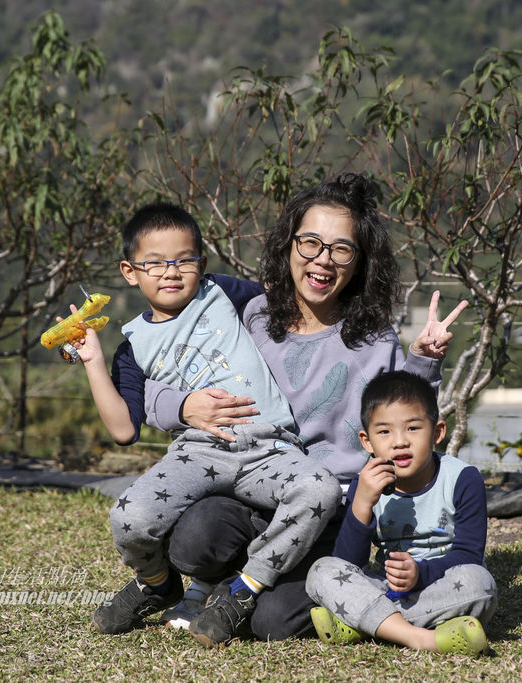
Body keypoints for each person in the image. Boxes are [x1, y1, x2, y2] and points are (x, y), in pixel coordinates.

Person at [140, 172, 468, 640]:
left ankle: (243, 590)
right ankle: (214, 578)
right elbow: (151, 375)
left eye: (341, 249)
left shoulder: (375, 341)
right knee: (194, 542)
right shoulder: (249, 317)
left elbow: (400, 417)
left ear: (359, 264)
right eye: (310, 243)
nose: (323, 261)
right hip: (247, 492)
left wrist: (425, 360)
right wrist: (185, 405)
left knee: (272, 623)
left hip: (326, 513)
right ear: (288, 246)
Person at [70, 202, 342, 646]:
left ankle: (243, 588)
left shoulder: (223, 292)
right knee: (129, 517)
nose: (170, 271)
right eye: (154, 263)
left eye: (183, 260)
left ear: (202, 263)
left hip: (269, 448)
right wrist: (93, 360)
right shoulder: (132, 346)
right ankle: (156, 584)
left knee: (320, 490)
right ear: (129, 271)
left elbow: (287, 295)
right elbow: (123, 429)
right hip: (196, 453)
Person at [305, 370, 497, 657]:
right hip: (384, 586)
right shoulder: (366, 481)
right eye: (384, 431)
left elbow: (469, 554)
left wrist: (419, 574)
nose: (399, 442)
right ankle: (423, 637)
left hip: (439, 585)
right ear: (367, 441)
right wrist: (362, 503)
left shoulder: (463, 478)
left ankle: (367, 624)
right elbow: (348, 564)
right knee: (321, 571)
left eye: (413, 428)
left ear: (437, 432)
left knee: (480, 584)